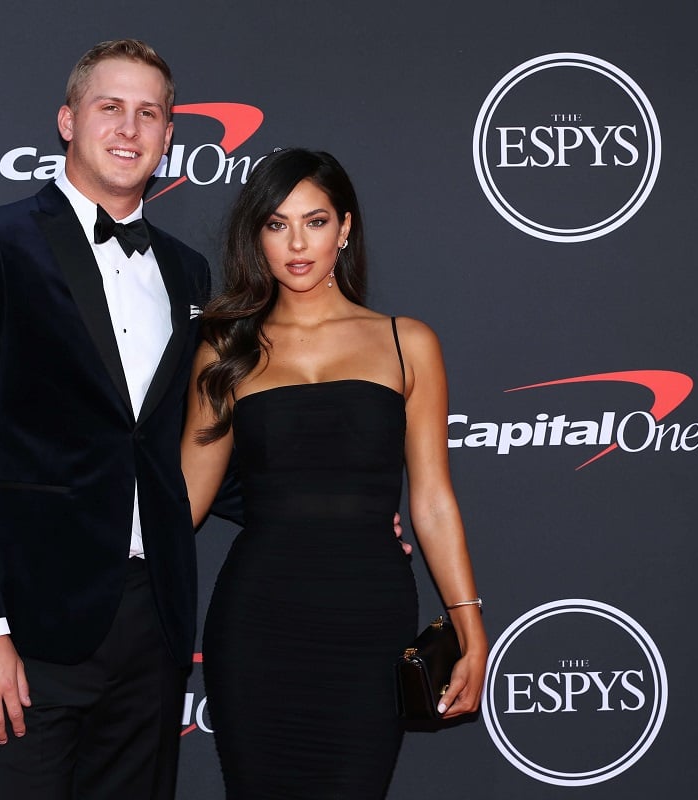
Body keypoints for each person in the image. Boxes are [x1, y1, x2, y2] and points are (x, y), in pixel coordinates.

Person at [0, 39, 210, 799]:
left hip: (154, 624)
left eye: (149, 113)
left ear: (169, 133)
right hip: (30, 623)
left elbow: (175, 437)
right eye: (109, 107)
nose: (129, 128)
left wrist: (333, 503)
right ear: (67, 121)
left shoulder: (187, 271)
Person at [181, 148, 489, 798]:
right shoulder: (226, 345)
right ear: (255, 234)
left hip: (368, 623)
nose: (297, 243)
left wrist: (469, 621)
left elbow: (432, 499)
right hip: (258, 623)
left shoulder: (408, 342)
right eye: (276, 223)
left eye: (314, 221)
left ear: (344, 228)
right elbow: (186, 497)